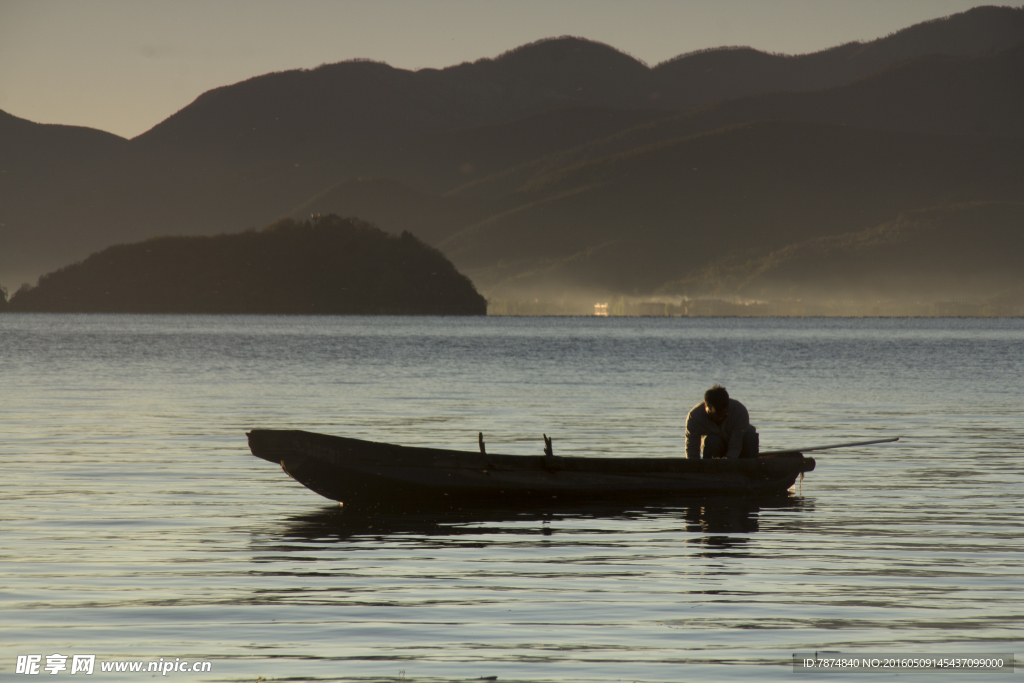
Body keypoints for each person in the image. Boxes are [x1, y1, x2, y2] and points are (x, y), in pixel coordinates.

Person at [685, 385, 759, 459]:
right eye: (714, 415)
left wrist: (729, 460)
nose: (718, 418)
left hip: (740, 445)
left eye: (722, 415)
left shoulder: (740, 412)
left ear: (727, 407)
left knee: (751, 438)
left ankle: (750, 468)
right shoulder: (694, 417)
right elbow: (692, 448)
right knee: (712, 440)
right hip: (714, 446)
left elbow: (736, 444)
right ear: (706, 406)